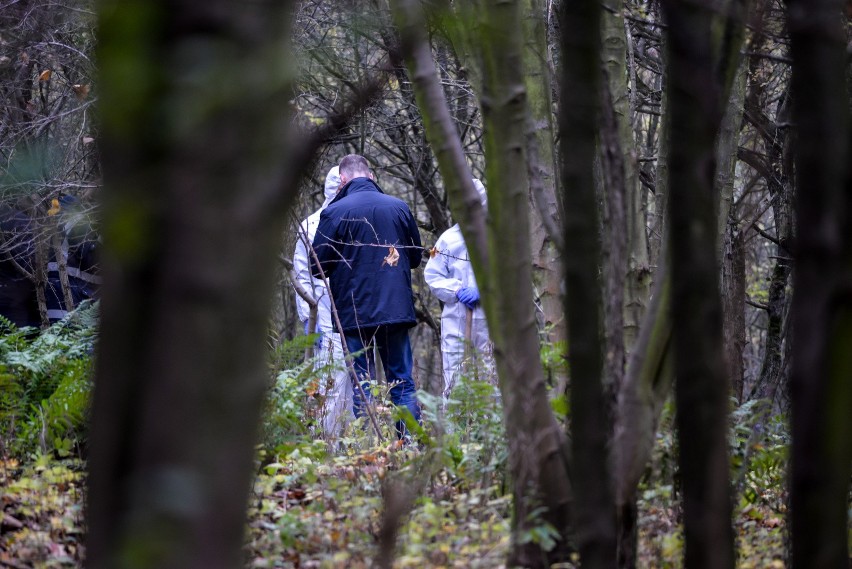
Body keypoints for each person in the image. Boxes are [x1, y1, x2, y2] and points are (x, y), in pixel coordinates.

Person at [311, 154, 423, 437]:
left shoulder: (334, 213)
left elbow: (316, 267)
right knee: (402, 381)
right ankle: (408, 446)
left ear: (343, 181)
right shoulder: (398, 207)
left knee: (362, 384)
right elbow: (415, 258)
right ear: (371, 176)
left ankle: (367, 452)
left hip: (353, 313)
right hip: (395, 310)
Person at [292, 166, 353, 437]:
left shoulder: (358, 219)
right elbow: (302, 275)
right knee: (331, 377)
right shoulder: (312, 225)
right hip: (325, 314)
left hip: (355, 313)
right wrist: (309, 318)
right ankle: (326, 443)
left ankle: (354, 444)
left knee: (357, 382)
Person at [423, 179, 492, 396]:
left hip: (492, 323)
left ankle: (492, 430)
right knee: (455, 381)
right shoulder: (447, 240)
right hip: (457, 321)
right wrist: (456, 290)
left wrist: (486, 289)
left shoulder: (498, 237)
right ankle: (458, 430)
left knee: (490, 380)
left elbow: (512, 275)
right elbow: (433, 275)